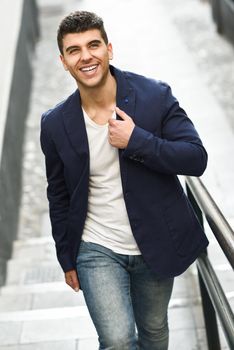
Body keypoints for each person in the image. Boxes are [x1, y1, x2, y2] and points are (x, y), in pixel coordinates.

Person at [40, 10, 209, 350]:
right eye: (74, 50)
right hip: (96, 246)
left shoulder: (155, 96)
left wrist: (138, 140)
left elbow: (196, 158)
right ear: (63, 61)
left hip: (155, 242)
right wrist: (66, 257)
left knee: (154, 332)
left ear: (109, 49)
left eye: (93, 45)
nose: (85, 56)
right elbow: (58, 194)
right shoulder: (55, 123)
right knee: (117, 340)